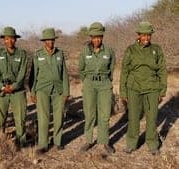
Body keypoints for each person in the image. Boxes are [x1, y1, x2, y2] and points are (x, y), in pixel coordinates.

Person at [120, 21, 167, 155]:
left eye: (149, 35)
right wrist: (123, 92)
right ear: (138, 35)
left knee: (152, 118)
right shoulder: (130, 50)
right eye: (144, 35)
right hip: (134, 88)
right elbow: (124, 71)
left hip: (152, 89)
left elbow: (162, 70)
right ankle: (131, 144)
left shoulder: (156, 49)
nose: (146, 38)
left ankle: (152, 144)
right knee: (133, 118)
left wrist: (162, 90)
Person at [29, 28, 70, 154]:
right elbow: (33, 75)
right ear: (44, 41)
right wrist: (32, 92)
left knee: (59, 117)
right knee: (43, 118)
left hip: (58, 90)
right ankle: (43, 144)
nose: (50, 42)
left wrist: (66, 91)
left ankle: (57, 141)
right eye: (48, 40)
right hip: (42, 89)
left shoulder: (59, 54)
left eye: (52, 40)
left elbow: (64, 73)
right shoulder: (38, 54)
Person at [78, 22, 116, 154]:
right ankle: (88, 141)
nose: (96, 40)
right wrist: (88, 81)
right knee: (89, 114)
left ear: (102, 37)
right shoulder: (85, 51)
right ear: (90, 37)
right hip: (89, 85)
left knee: (105, 114)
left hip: (105, 84)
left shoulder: (109, 51)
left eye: (99, 37)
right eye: (94, 37)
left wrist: (105, 80)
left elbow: (111, 68)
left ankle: (104, 141)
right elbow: (81, 69)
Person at [0, 26, 27, 149]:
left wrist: (13, 86)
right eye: (7, 39)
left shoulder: (22, 54)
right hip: (2, 91)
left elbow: (22, 74)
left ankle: (21, 143)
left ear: (15, 40)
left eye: (12, 38)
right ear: (3, 40)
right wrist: (2, 87)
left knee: (20, 118)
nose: (9, 41)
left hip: (18, 91)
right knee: (0, 119)